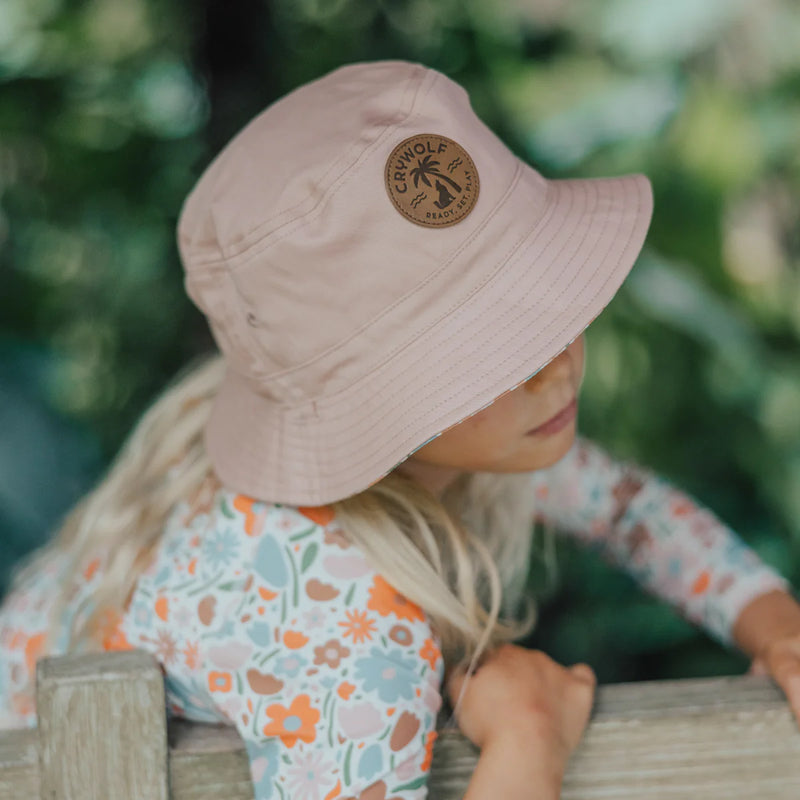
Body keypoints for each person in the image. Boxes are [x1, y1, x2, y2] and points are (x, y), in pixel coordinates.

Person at [1, 60, 799, 800]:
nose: (553, 365)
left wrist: (778, 627)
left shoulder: (466, 440)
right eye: (489, 351)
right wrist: (528, 742)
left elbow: (629, 509)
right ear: (371, 410)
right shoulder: (357, 637)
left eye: (548, 301)